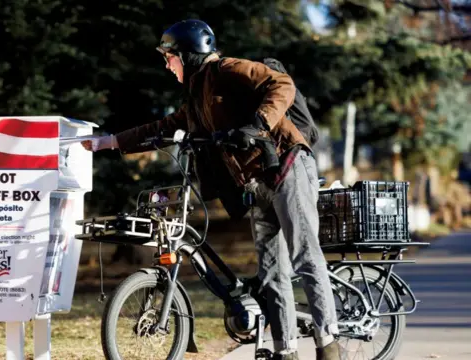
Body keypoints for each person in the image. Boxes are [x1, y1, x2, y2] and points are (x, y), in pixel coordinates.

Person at [81, 19, 343, 360]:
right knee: (273, 272)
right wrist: (109, 142)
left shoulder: (227, 69)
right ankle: (287, 351)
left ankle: (330, 346)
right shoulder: (196, 95)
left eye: (170, 57)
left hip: (286, 166)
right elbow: (165, 126)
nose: (166, 64)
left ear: (188, 55)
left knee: (305, 256)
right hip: (257, 182)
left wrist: (258, 125)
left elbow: (281, 84)